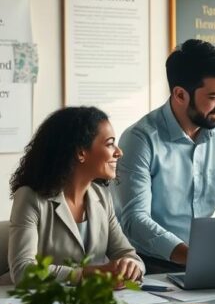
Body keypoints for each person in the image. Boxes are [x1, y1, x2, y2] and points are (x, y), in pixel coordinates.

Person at [113, 39, 215, 274]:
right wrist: (191, 256)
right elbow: (134, 220)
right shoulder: (140, 139)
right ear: (180, 94)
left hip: (208, 260)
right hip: (151, 265)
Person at [7, 107, 144, 285]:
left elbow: (129, 255)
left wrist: (131, 265)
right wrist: (88, 274)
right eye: (110, 144)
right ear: (81, 153)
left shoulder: (102, 196)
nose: (119, 152)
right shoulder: (29, 197)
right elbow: (24, 271)